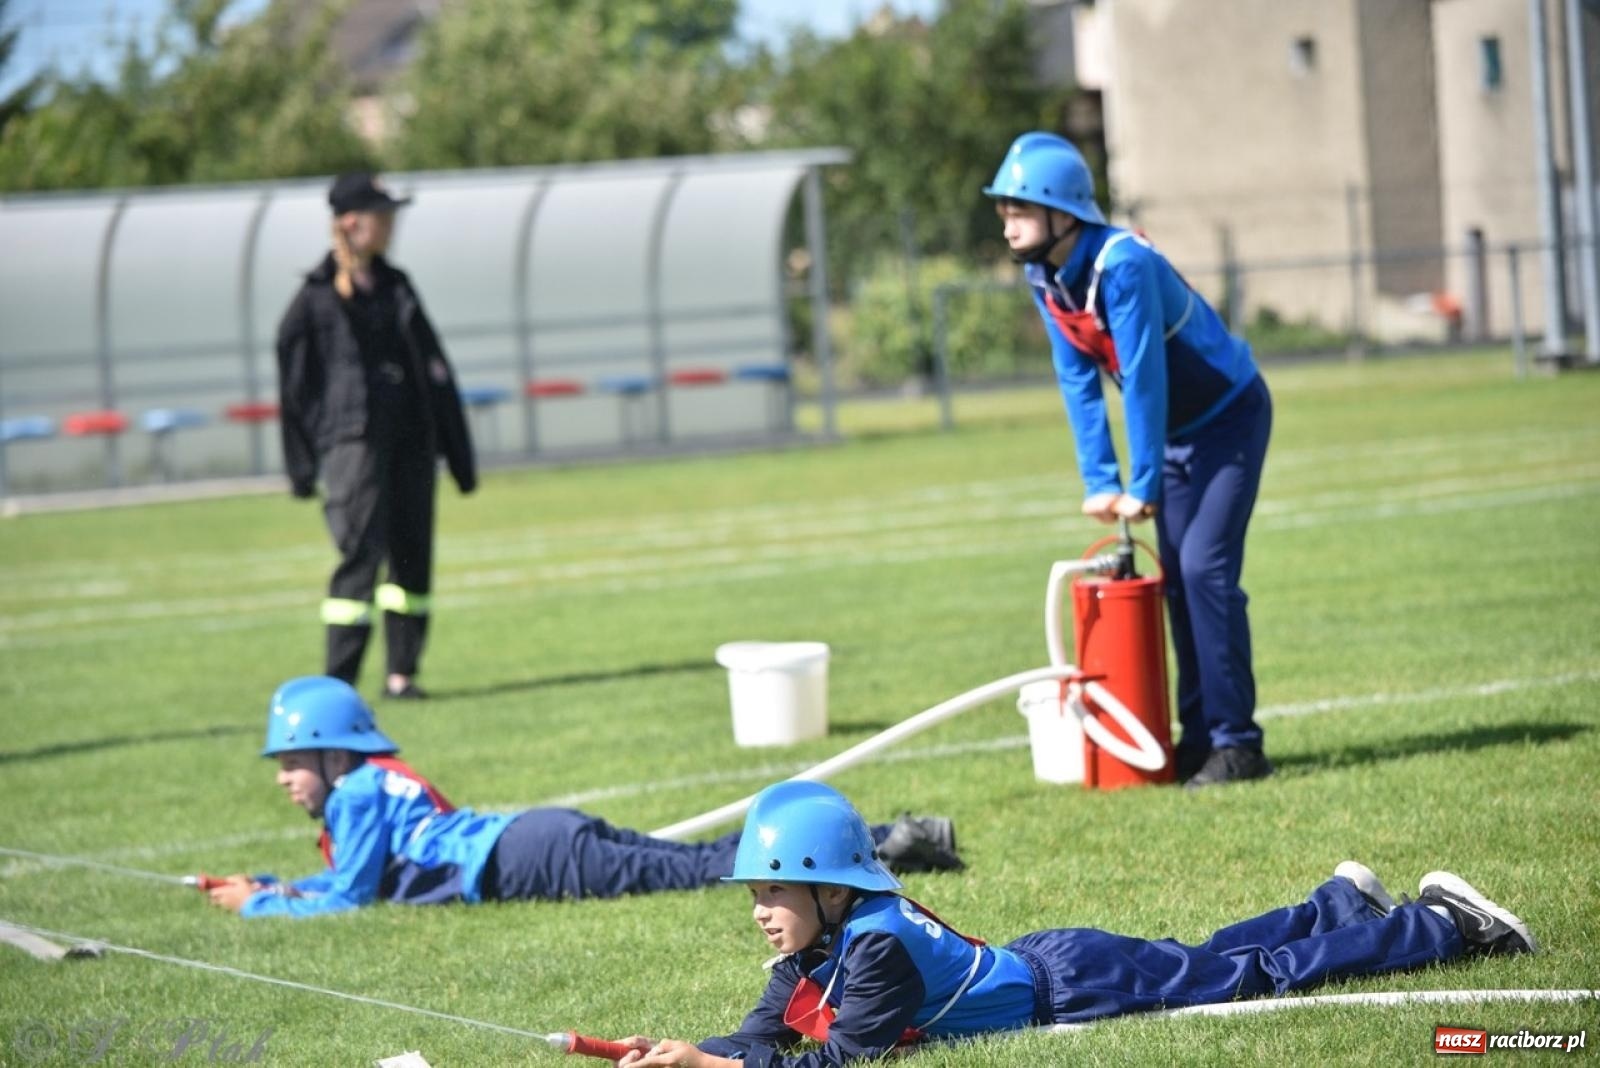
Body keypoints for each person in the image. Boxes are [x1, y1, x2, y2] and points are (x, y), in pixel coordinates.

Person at [611, 781, 1536, 1067]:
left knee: (1252, 978)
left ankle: (1444, 925)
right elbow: (766, 1032)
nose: (762, 914)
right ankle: (1340, 905)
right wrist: (692, 1053)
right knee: (1212, 957)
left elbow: (836, 1064)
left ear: (829, 888)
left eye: (773, 892)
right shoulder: (823, 944)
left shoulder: (878, 948)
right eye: (755, 897)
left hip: (1075, 989)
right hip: (1060, 960)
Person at [984, 133, 1275, 787]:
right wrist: (1101, 480)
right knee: (1175, 578)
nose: (1008, 224)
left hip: (1229, 418)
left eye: (1019, 208)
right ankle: (1199, 742)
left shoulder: (1122, 265)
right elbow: (1078, 382)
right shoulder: (1046, 276)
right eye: (1003, 210)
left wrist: (1139, 481)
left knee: (1204, 571)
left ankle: (1239, 744)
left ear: (1063, 211)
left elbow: (1143, 377)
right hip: (1175, 436)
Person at [204, 678, 962, 919]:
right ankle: (893, 838)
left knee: (693, 868)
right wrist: (274, 884)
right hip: (538, 835)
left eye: (293, 761)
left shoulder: (355, 795)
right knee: (692, 860)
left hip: (524, 861)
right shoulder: (373, 780)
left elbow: (353, 898)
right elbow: (345, 884)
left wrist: (259, 905)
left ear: (336, 753)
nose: (282, 777)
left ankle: (884, 844)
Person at [275, 172, 476, 702]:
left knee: (411, 557)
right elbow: (294, 387)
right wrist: (302, 463)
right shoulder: (315, 299)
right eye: (379, 216)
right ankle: (340, 685)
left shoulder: (397, 285)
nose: (389, 226)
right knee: (360, 558)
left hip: (411, 440)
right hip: (354, 446)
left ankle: (401, 676)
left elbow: (436, 371)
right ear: (348, 222)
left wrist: (458, 453)